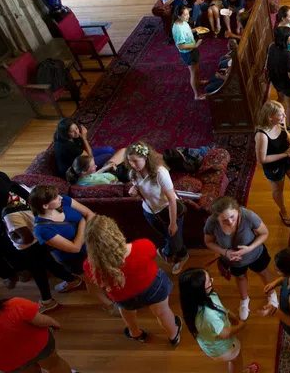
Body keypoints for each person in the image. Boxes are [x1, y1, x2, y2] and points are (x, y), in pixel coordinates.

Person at [83, 215, 182, 345]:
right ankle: (173, 335)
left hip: (123, 297)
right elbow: (153, 254)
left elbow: (96, 283)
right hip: (153, 286)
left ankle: (135, 333)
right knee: (162, 312)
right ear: (116, 232)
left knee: (127, 313)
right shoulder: (142, 246)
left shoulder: (89, 265)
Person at [29, 185, 116, 313]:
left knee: (103, 272)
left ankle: (112, 293)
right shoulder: (42, 229)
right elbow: (74, 248)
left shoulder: (63, 200)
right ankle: (109, 305)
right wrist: (82, 222)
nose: (60, 197)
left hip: (92, 246)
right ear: (45, 206)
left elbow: (89, 213)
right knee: (92, 281)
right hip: (75, 259)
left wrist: (85, 224)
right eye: (55, 197)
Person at [0, 273, 76, 373]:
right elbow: (42, 321)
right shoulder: (14, 305)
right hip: (39, 346)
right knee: (55, 365)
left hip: (9, 362)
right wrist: (54, 323)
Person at [0, 190, 82, 313]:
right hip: (40, 242)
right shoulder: (21, 194)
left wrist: (13, 237)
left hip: (30, 246)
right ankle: (71, 280)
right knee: (48, 263)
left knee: (38, 271)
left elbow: (26, 239)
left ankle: (47, 300)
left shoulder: (10, 213)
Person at [204, 197, 280, 322]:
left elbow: (264, 233)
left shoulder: (248, 216)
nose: (230, 222)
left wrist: (249, 248)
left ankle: (271, 294)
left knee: (263, 272)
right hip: (232, 261)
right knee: (240, 277)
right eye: (224, 220)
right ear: (216, 218)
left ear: (237, 210)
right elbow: (208, 242)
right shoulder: (211, 223)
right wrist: (225, 252)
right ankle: (244, 300)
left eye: (232, 217)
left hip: (256, 254)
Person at [126, 141, 189, 275]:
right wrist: (134, 190)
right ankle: (179, 253)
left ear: (145, 158)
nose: (132, 165)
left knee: (174, 240)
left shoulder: (160, 172)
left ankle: (174, 254)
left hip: (169, 211)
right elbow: (143, 194)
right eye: (130, 161)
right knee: (169, 237)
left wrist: (173, 223)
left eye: (136, 161)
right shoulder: (133, 174)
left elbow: (172, 199)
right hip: (150, 212)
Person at [179, 268, 259, 372]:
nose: (212, 280)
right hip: (223, 347)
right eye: (209, 281)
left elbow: (219, 307)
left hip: (213, 345)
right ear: (199, 290)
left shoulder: (194, 302)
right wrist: (240, 326)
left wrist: (230, 314)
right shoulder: (208, 315)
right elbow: (224, 333)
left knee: (234, 359)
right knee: (236, 359)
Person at [254, 101, 290, 227]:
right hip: (274, 166)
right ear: (270, 117)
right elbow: (261, 159)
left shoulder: (280, 122)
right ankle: (284, 212)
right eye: (281, 114)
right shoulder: (261, 135)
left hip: (289, 158)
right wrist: (285, 154)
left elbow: (287, 135)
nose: (285, 116)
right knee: (278, 191)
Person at [267, 27, 290, 132]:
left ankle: (280, 100)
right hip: (286, 84)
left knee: (281, 94)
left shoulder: (272, 46)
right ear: (285, 39)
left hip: (275, 79)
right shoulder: (287, 55)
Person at [172, 4, 206, 101]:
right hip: (188, 53)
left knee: (196, 70)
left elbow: (188, 31)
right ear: (179, 16)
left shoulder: (183, 22)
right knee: (193, 73)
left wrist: (196, 30)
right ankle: (197, 95)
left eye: (188, 14)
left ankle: (198, 82)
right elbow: (180, 46)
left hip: (192, 49)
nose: (188, 16)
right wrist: (195, 45)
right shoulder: (177, 29)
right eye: (186, 15)